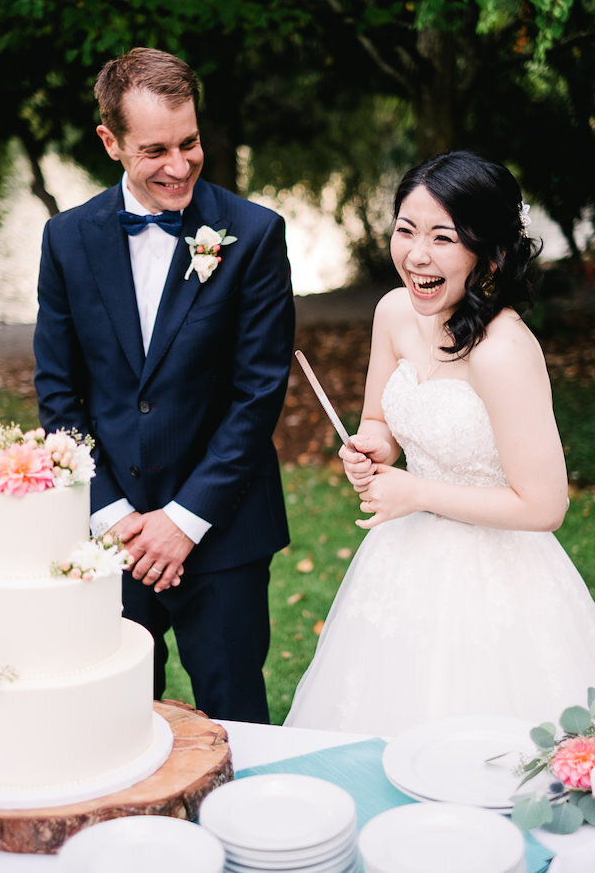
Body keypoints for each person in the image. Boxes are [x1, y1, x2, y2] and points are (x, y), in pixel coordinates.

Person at [286, 150, 595, 735]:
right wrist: (370, 449)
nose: (416, 254)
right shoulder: (394, 312)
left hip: (499, 580)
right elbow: (378, 422)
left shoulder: (503, 351)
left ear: (488, 250)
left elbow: (546, 506)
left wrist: (416, 493)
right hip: (399, 564)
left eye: (443, 237)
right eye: (406, 230)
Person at [33, 47, 295, 724]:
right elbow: (59, 398)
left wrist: (181, 523)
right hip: (110, 533)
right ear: (110, 142)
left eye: (191, 143)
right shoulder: (65, 239)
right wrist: (115, 517)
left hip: (225, 529)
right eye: (155, 150)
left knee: (234, 725)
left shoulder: (255, 234)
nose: (179, 166)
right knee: (115, 725)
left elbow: (257, 394)